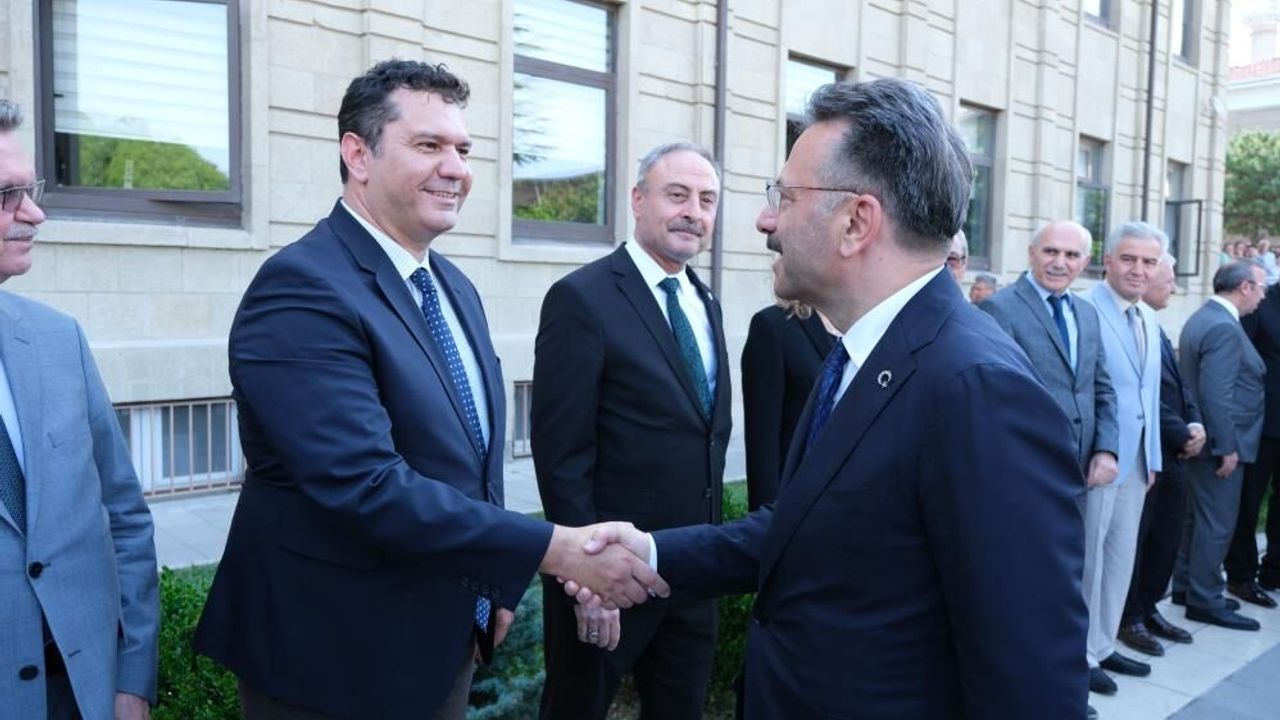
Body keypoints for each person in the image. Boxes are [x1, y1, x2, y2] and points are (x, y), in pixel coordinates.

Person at [579, 78, 1088, 718]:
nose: (765, 220)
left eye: (784, 197)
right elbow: (805, 526)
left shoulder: (978, 388)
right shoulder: (863, 350)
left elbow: (1030, 676)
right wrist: (651, 552)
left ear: (856, 222)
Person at [193, 60, 666, 720]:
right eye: (428, 145)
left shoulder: (452, 287)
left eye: (463, 150)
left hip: (443, 639)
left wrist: (492, 584)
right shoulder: (301, 288)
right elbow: (366, 485)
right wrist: (556, 551)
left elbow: (470, 462)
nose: (456, 169)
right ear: (358, 154)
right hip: (332, 659)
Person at [532, 143, 732, 720]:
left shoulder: (705, 301)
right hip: (606, 580)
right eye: (677, 195)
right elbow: (561, 455)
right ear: (638, 200)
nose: (693, 211)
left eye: (707, 200)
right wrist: (584, 580)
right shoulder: (582, 298)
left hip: (690, 574)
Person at [0, 100, 159, 720]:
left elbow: (124, 516)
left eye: (30, 190)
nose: (34, 213)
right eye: (7, 196)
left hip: (81, 694)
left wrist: (132, 679)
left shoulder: (56, 338)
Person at [1079, 222, 1164, 693]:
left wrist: (1153, 457)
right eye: (1129, 259)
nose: (1138, 269)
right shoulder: (1085, 308)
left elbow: (1149, 395)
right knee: (1088, 561)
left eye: (1148, 262)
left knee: (1119, 558)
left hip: (1137, 462)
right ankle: (1079, 654)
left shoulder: (1148, 315)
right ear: (1107, 260)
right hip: (1099, 459)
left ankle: (1104, 643)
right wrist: (1100, 450)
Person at [980, 221, 1120, 490]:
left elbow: (1102, 388)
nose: (1059, 263)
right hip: (1026, 471)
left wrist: (1106, 449)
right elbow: (994, 398)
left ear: (1085, 262)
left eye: (1072, 255)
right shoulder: (998, 309)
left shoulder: (1087, 313)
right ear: (1032, 253)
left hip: (1083, 473)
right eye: (1050, 251)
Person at [1173, 260, 1268, 631]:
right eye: (1260, 288)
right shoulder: (1224, 327)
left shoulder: (1204, 317)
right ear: (1244, 287)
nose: (1263, 296)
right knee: (1217, 524)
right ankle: (1206, 600)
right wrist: (1226, 447)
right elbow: (1216, 393)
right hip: (1220, 445)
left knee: (1195, 521)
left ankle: (1187, 588)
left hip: (1206, 440)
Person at [1118, 253, 1203, 656]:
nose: (1173, 288)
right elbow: (1143, 396)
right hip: (1148, 451)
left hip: (1174, 453)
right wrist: (1182, 433)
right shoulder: (1125, 324)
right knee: (1138, 539)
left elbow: (1180, 387)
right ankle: (1129, 616)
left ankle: (1149, 606)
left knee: (1165, 538)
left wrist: (1196, 424)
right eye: (1168, 281)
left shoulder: (1156, 324)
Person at [741, 299, 837, 510]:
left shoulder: (863, 327)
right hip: (799, 501)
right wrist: (768, 519)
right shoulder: (773, 325)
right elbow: (763, 444)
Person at [1226, 276, 1280, 605]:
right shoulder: (1261, 302)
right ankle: (1241, 576)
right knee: (1248, 502)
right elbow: (1239, 362)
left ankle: (1274, 571)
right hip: (1261, 423)